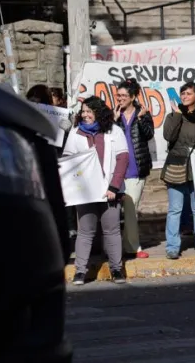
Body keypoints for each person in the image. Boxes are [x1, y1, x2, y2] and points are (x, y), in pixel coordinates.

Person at [64, 97, 129, 285]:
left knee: (112, 231)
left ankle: (116, 269)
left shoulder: (114, 131)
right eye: (83, 111)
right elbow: (68, 160)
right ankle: (80, 271)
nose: (85, 115)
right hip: (86, 192)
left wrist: (114, 186)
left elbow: (123, 159)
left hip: (110, 190)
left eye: (89, 111)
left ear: (98, 112)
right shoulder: (76, 132)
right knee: (85, 231)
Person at [162, 81, 195, 259]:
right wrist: (176, 116)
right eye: (183, 93)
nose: (185, 96)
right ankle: (172, 246)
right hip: (176, 166)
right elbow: (168, 136)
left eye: (189, 93)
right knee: (175, 209)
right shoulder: (174, 115)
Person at [114, 79, 154, 259]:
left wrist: (141, 118)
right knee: (114, 211)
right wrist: (114, 121)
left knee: (130, 207)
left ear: (132, 97)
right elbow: (108, 138)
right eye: (118, 95)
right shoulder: (114, 115)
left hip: (135, 168)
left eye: (123, 95)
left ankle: (132, 247)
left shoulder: (142, 113)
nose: (120, 98)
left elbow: (149, 134)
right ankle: (115, 247)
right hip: (116, 169)